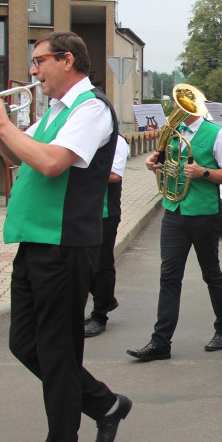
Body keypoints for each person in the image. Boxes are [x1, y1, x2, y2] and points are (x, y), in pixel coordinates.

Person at [0, 32, 130, 442]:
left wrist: (4, 125)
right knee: (25, 344)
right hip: (37, 240)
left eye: (39, 61)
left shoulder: (90, 109)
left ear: (67, 60)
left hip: (65, 243)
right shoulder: (55, 111)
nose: (33, 71)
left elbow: (54, 162)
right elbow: (24, 159)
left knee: (58, 353)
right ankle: (104, 404)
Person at [126, 106, 222, 360]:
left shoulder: (216, 134)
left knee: (211, 272)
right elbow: (165, 161)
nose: (177, 109)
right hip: (173, 209)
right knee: (169, 276)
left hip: (203, 213)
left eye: (183, 105)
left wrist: (203, 172)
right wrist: (153, 163)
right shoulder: (172, 132)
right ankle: (160, 342)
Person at [83, 134, 130, 337]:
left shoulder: (116, 141)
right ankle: (107, 298)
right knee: (81, 262)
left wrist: (75, 168)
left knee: (101, 262)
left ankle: (100, 315)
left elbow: (114, 175)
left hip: (104, 211)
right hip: (80, 209)